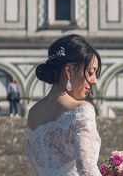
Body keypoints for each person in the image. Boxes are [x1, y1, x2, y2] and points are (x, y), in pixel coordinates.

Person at [25, 34, 102, 175]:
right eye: (91, 72)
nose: (94, 80)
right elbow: (88, 171)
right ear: (69, 70)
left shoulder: (33, 113)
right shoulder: (81, 110)